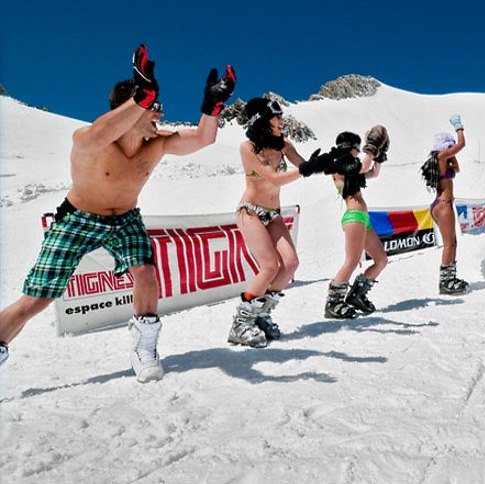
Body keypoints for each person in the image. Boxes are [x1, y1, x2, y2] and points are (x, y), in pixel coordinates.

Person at [0, 45, 236, 382]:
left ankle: (144, 348)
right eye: (154, 107)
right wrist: (140, 100)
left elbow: (203, 139)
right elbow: (97, 133)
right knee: (38, 298)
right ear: (131, 107)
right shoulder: (89, 140)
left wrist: (212, 105)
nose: (160, 114)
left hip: (125, 219)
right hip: (77, 219)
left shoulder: (157, 143)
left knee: (145, 273)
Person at [227, 98, 331, 347]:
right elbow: (275, 177)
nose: (282, 119)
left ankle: (261, 315)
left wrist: (331, 162)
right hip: (250, 211)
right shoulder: (248, 148)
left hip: (272, 213)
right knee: (269, 266)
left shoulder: (285, 144)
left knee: (291, 263)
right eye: (277, 116)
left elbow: (305, 166)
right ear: (262, 120)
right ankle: (241, 323)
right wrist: (307, 169)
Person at [324, 127, 390, 319]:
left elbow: (372, 173)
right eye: (358, 148)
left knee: (381, 260)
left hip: (363, 220)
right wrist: (372, 150)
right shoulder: (338, 167)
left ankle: (357, 295)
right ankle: (333, 301)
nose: (359, 152)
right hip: (353, 218)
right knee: (351, 262)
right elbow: (362, 167)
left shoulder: (352, 168)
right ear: (349, 147)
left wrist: (379, 156)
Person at [420, 115, 468, 295]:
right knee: (450, 244)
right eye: (449, 145)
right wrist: (459, 128)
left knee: (453, 242)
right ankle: (446, 282)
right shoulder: (440, 157)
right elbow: (461, 145)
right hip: (444, 205)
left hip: (442, 204)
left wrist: (452, 154)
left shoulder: (443, 160)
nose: (452, 148)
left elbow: (456, 169)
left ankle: (450, 278)